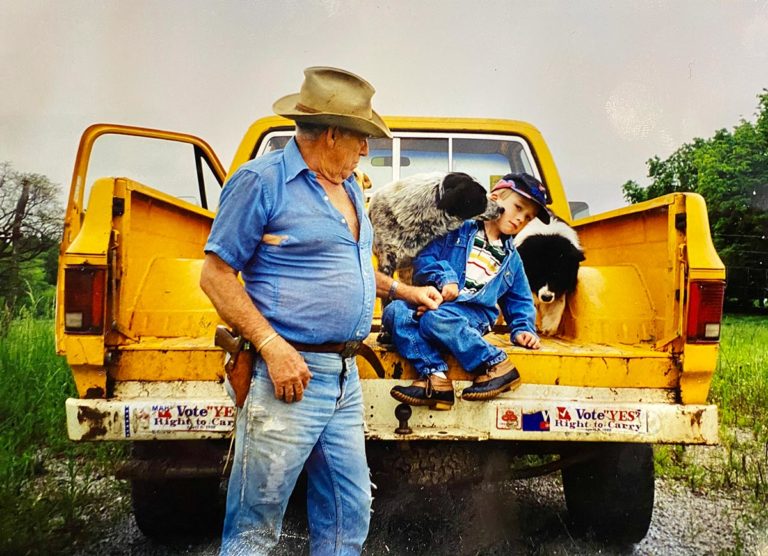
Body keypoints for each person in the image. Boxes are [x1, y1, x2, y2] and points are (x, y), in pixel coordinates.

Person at [200, 67, 441, 555]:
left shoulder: (350, 187)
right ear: (332, 133)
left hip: (342, 379)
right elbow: (216, 275)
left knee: (348, 515)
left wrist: (402, 291)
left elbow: (348, 267)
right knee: (255, 526)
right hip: (287, 378)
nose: (366, 151)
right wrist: (271, 347)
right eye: (361, 138)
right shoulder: (260, 182)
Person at [385, 173, 549, 410]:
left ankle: (496, 364)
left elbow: (519, 299)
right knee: (396, 311)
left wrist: (523, 328)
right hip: (437, 305)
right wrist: (445, 279)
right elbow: (424, 261)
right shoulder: (456, 230)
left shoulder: (512, 260)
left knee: (433, 319)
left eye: (527, 217)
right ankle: (436, 379)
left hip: (472, 314)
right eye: (518, 208)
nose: (520, 219)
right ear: (494, 198)